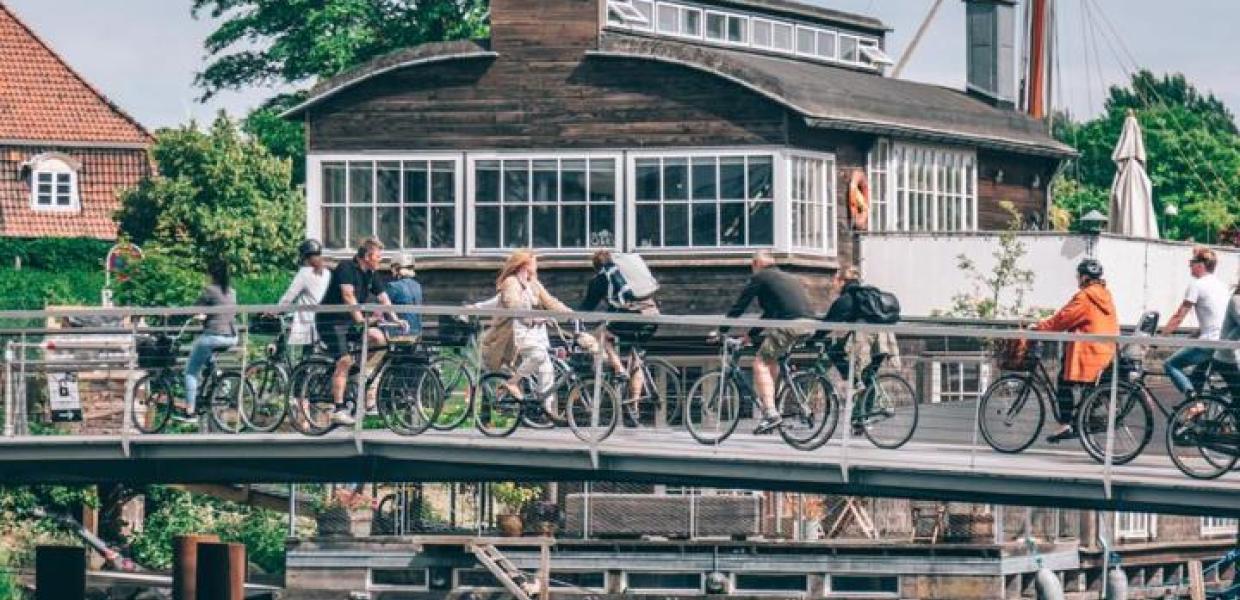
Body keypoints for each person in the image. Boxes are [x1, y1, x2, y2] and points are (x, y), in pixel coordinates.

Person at [713, 251, 813, 434]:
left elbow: (740, 305)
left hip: (789, 325)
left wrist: (721, 330)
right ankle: (772, 406)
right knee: (771, 360)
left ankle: (770, 413)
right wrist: (750, 336)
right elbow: (770, 314)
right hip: (808, 324)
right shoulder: (785, 276)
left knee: (760, 363)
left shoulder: (761, 277)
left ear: (756, 263)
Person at [316, 238, 408, 426]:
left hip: (350, 323)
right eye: (378, 256)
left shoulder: (372, 274)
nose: (380, 260)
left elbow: (384, 298)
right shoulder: (345, 268)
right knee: (345, 360)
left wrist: (395, 319)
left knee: (379, 339)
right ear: (367, 256)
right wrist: (359, 318)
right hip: (331, 322)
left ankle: (358, 375)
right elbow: (348, 295)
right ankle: (339, 409)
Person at [1031, 258, 1119, 442]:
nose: (1077, 280)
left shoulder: (1085, 297)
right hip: (1105, 352)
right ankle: (1086, 415)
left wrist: (1039, 328)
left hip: (1088, 354)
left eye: (1078, 276)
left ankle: (1065, 424)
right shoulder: (1106, 295)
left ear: (1084, 277)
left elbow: (1063, 319)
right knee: (1076, 383)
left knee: (1063, 382)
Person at [479, 250, 574, 416]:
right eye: (534, 262)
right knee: (538, 357)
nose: (536, 266)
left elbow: (550, 302)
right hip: (514, 335)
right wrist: (533, 318)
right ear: (524, 265)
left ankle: (547, 410)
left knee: (547, 371)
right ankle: (511, 384)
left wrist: (571, 314)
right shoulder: (511, 282)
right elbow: (512, 304)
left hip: (533, 335)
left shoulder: (534, 284)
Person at [578, 249, 658, 407]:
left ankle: (619, 369)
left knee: (600, 334)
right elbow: (617, 303)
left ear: (596, 266)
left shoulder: (601, 279)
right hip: (652, 315)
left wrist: (574, 317)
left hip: (632, 316)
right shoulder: (626, 276)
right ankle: (634, 407)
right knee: (637, 360)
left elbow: (587, 307)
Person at [1161, 247, 1230, 399]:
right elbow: (1216, 317)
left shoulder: (1197, 285)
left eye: (1191, 262)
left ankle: (1193, 402)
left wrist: (1157, 338)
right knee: (1195, 380)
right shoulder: (1221, 286)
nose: (1189, 266)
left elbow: (1179, 316)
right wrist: (1196, 333)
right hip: (1223, 342)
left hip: (1209, 343)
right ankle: (1195, 413)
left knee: (1170, 365)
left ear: (1201, 265)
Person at [183, 259, 238, 416]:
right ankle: (220, 383)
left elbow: (193, 309)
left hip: (214, 336)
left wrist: (196, 315)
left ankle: (190, 409)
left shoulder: (209, 290)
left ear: (211, 274)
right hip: (232, 337)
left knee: (190, 372)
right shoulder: (232, 292)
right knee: (208, 361)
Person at [277, 239, 331, 358]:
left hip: (308, 322)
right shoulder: (327, 273)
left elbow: (289, 296)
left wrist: (274, 311)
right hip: (324, 321)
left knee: (306, 358)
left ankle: (301, 375)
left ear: (304, 257)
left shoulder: (304, 272)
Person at [385, 253, 424, 339]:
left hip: (399, 332)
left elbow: (382, 308)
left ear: (396, 269)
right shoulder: (417, 285)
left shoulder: (393, 286)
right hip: (416, 332)